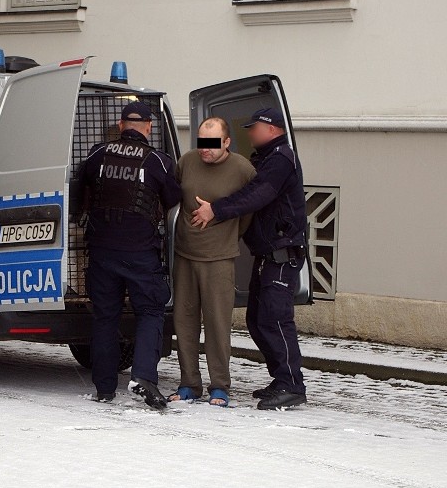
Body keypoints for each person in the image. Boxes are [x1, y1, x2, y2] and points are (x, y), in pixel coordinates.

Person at [191, 107, 308, 410]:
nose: (250, 132)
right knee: (257, 321)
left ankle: (292, 384)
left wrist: (215, 210)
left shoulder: (281, 159)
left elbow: (256, 196)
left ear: (272, 129)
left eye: (254, 127)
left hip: (282, 255)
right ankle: (281, 379)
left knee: (275, 320)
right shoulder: (266, 159)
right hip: (267, 254)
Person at [75, 101, 181, 410]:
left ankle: (105, 388)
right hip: (140, 254)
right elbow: (174, 198)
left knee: (105, 317)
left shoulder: (97, 154)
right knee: (149, 312)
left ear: (121, 125)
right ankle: (143, 378)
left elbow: (80, 188)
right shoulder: (159, 162)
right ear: (149, 127)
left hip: (102, 251)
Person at [169, 117, 255, 407]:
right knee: (184, 321)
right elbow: (173, 194)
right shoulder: (188, 161)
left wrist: (224, 226)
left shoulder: (242, 169)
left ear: (227, 143)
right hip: (185, 254)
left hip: (219, 258)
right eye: (201, 143)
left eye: (212, 144)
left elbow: (249, 208)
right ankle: (189, 382)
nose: (205, 150)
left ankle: (220, 385)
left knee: (218, 324)